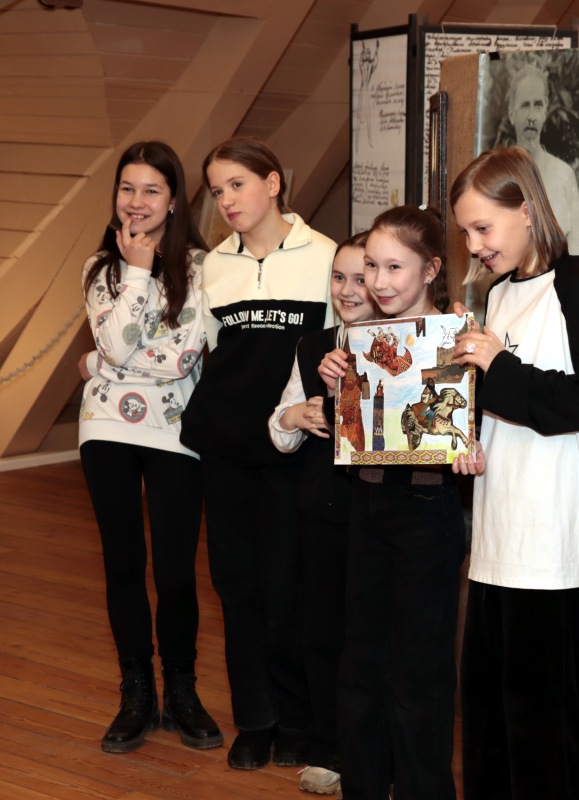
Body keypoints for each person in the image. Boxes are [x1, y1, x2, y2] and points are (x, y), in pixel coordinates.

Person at [450, 147, 579, 799]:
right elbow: (505, 402)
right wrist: (468, 435)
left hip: (548, 540)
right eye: (465, 232)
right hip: (498, 531)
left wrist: (499, 367)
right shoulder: (497, 293)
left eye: (482, 228)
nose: (473, 246)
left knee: (541, 723)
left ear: (526, 211)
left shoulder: (572, 287)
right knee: (488, 713)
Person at [180, 136, 336, 770]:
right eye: (217, 190)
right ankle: (255, 719)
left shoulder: (325, 256)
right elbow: (203, 352)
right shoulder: (213, 266)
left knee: (288, 586)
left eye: (237, 184)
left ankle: (296, 718)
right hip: (224, 449)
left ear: (273, 183)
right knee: (236, 585)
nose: (226, 200)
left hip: (294, 449)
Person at [316, 206, 469, 800]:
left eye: (394, 268)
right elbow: (352, 428)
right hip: (367, 502)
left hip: (429, 511)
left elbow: (471, 424)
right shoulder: (355, 341)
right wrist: (335, 383)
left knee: (419, 672)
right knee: (360, 663)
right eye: (371, 267)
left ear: (430, 269)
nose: (378, 283)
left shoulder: (457, 337)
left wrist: (472, 442)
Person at [79, 141, 221, 755]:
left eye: (151, 190)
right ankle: (135, 690)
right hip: (105, 429)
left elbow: (179, 358)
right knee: (122, 563)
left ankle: (181, 688)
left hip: (176, 431)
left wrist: (102, 362)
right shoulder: (101, 269)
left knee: (175, 569)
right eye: (127, 188)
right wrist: (136, 273)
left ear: (174, 200)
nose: (136, 202)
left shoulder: (203, 266)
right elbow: (115, 345)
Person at [267, 233, 374, 797]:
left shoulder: (407, 343)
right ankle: (328, 747)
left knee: (373, 634)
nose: (349, 290)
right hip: (323, 509)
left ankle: (376, 752)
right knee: (323, 631)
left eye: (362, 277)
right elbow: (280, 429)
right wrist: (296, 416)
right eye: (340, 277)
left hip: (382, 511)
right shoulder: (312, 345)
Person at [506, 64, 579, 263]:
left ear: (545, 112)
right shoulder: (496, 173)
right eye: (525, 105)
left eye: (538, 105)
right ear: (511, 113)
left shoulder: (564, 175)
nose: (531, 116)